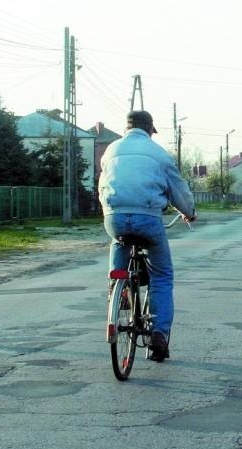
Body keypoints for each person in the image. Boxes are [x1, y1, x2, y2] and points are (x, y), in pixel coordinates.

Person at [98, 110, 196, 362]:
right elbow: (178, 190)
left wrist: (110, 212)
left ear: (126, 128)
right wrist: (188, 212)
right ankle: (159, 335)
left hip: (115, 217)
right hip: (148, 218)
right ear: (150, 129)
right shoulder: (159, 154)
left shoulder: (111, 150)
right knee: (161, 276)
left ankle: (118, 290)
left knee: (118, 241)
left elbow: (102, 186)